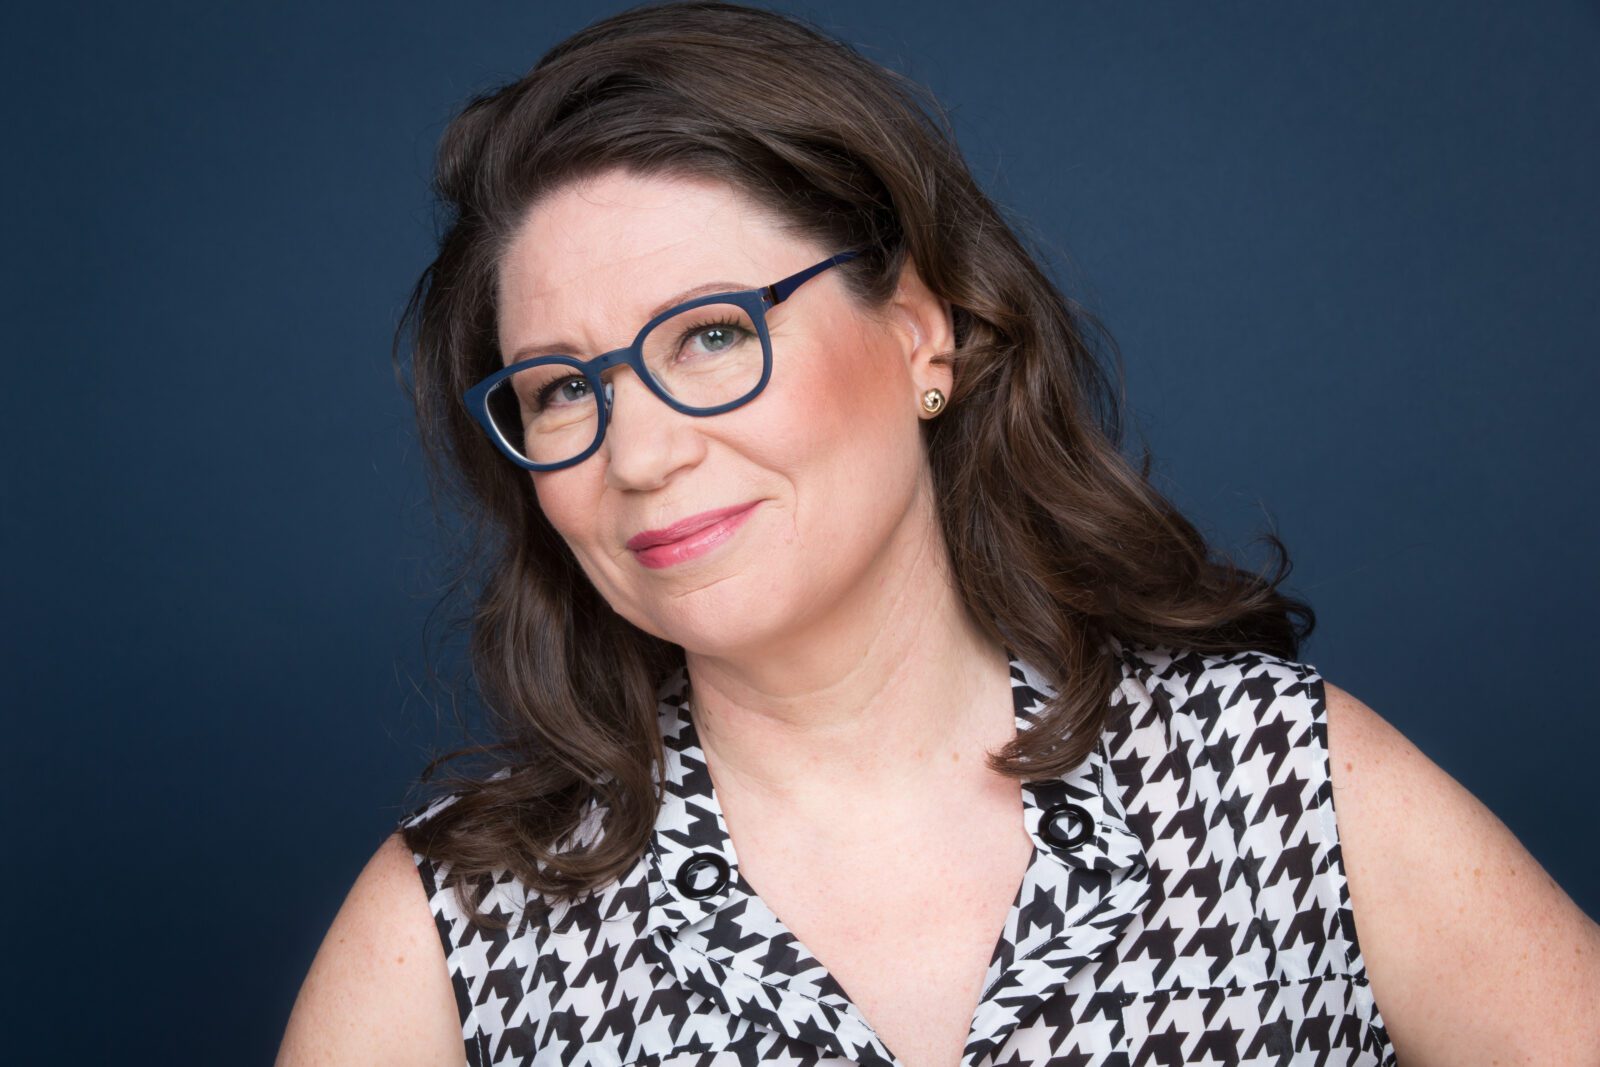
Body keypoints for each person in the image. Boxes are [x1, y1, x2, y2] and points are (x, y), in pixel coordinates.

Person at [275, 2, 1600, 1065]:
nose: (640, 453)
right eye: (564, 388)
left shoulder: (1275, 784)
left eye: (713, 335)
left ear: (921, 333)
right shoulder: (455, 927)